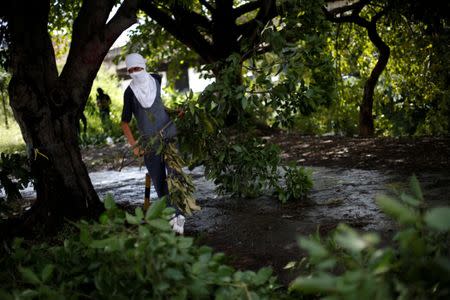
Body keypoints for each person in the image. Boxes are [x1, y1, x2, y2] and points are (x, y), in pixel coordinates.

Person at [120, 53, 185, 234]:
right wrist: (135, 146)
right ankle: (173, 219)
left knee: (175, 178)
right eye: (131, 70)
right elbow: (124, 122)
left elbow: (158, 105)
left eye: (137, 68)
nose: (134, 72)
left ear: (144, 66)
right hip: (150, 145)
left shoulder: (156, 79)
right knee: (160, 183)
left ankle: (179, 220)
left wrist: (174, 111)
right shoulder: (129, 92)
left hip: (170, 136)